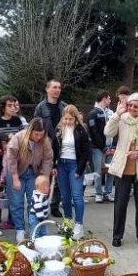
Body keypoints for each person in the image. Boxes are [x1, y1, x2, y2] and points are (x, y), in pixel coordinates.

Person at [105, 93, 138, 248]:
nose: (131, 108)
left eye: (135, 106)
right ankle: (117, 236)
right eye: (130, 105)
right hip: (122, 168)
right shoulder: (122, 118)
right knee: (120, 205)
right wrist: (116, 115)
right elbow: (108, 132)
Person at [5, 118, 54, 243]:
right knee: (17, 201)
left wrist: (44, 177)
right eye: (36, 134)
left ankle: (34, 228)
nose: (38, 137)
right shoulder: (17, 138)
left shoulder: (45, 141)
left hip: (33, 172)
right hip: (15, 171)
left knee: (34, 201)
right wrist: (15, 178)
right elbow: (11, 159)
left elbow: (48, 159)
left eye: (41, 134)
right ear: (30, 130)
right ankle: (20, 229)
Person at [54, 105, 91, 240]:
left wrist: (79, 170)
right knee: (65, 196)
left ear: (76, 118)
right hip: (61, 164)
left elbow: (86, 151)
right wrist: (53, 165)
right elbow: (54, 148)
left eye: (71, 119)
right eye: (66, 118)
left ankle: (79, 224)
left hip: (75, 164)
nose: (68, 121)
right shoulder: (59, 130)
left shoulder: (82, 130)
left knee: (77, 196)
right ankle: (68, 222)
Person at [34, 79, 69, 217]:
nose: (57, 90)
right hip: (46, 144)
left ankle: (55, 205)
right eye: (54, 87)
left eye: (59, 87)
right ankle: (41, 204)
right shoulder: (40, 107)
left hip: (61, 145)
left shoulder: (64, 107)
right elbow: (36, 126)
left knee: (58, 176)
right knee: (44, 175)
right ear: (47, 89)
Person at [0, 95, 26, 227]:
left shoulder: (17, 121)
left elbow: (23, 137)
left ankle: (12, 219)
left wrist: (11, 139)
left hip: (14, 160)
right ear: (2, 107)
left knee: (13, 190)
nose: (13, 108)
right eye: (9, 105)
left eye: (14, 105)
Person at [87, 92, 115, 203]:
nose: (110, 101)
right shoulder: (93, 113)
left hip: (110, 146)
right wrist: (103, 147)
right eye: (109, 98)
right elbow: (94, 132)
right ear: (104, 99)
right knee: (98, 170)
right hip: (98, 148)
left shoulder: (110, 112)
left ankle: (108, 192)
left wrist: (112, 146)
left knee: (111, 169)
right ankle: (98, 193)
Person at [29, 174, 53, 238]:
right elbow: (38, 208)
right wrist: (42, 219)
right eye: (48, 186)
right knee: (35, 232)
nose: (49, 188)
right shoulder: (38, 198)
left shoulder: (42, 195)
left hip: (41, 218)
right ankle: (33, 242)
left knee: (43, 231)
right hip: (36, 218)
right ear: (44, 187)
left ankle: (43, 239)